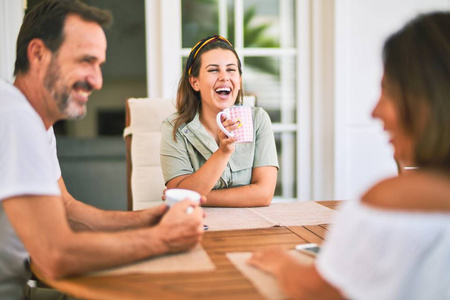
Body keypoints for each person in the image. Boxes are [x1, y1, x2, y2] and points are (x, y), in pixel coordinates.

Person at [0, 1, 204, 299]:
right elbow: (54, 255)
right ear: (38, 54)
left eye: (99, 65)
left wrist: (150, 217)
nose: (97, 81)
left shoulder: (33, 120)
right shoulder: (14, 117)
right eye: (86, 61)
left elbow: (66, 209)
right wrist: (164, 238)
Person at [248, 11, 450, 300]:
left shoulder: (393, 204)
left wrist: (281, 262)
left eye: (389, 92)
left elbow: (317, 291)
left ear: (433, 100)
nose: (374, 111)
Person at [160, 35, 279, 207]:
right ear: (195, 82)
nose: (224, 77)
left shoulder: (258, 120)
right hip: (196, 225)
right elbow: (178, 193)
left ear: (239, 80)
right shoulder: (174, 128)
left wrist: (197, 197)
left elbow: (264, 194)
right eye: (213, 70)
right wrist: (223, 152)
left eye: (231, 70)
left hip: (251, 225)